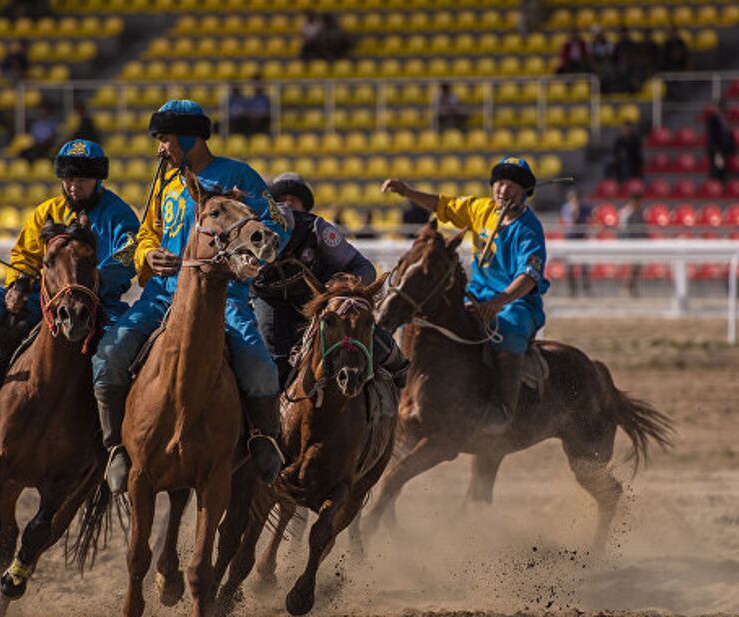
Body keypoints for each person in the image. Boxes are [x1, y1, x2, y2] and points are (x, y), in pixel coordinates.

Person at [92, 99, 292, 493]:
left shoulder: (240, 176)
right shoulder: (164, 184)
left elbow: (276, 225)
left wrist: (252, 249)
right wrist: (148, 253)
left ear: (188, 137)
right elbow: (145, 233)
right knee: (108, 356)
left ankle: (265, 440)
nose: (161, 148)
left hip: (225, 297)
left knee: (259, 365)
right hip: (161, 296)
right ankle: (115, 446)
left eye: (165, 140)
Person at [0, 139, 138, 435]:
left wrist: (91, 280)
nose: (74, 187)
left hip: (96, 304)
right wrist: (17, 286)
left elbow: (128, 254)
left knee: (123, 348)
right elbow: (24, 256)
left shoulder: (120, 215)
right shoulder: (46, 211)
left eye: (82, 180)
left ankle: (117, 434)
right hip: (42, 301)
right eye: (68, 179)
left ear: (98, 180)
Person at [381, 157, 549, 433]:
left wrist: (498, 303)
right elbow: (442, 206)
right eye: (499, 183)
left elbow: (529, 276)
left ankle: (503, 408)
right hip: (475, 293)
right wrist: (408, 192)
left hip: (516, 303)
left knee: (507, 331)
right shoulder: (480, 209)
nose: (502, 190)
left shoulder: (529, 229)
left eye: (510, 185)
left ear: (523, 192)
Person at [252, 172, 409, 388]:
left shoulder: (318, 229)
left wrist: (337, 291)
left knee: (362, 331)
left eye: (294, 199)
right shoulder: (254, 230)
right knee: (269, 358)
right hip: (270, 300)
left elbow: (363, 267)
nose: (287, 204)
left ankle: (398, 368)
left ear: (305, 206)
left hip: (319, 298)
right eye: (281, 200)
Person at [558, 188, 591, 296]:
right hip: (570, 239)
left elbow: (586, 222)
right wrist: (574, 213)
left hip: (581, 239)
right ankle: (572, 290)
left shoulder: (585, 208)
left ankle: (586, 289)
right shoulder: (566, 208)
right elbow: (569, 223)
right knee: (570, 266)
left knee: (583, 265)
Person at [617, 193, 648, 297]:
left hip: (639, 245)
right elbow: (623, 230)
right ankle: (627, 289)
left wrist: (645, 238)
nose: (639, 204)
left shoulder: (640, 212)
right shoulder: (626, 213)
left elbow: (643, 227)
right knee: (632, 267)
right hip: (629, 244)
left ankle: (631, 288)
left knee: (636, 267)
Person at [705, 99, 736, 182]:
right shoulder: (712, 119)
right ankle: (716, 186)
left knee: (723, 168)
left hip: (725, 149)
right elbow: (712, 135)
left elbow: (728, 134)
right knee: (718, 168)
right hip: (717, 150)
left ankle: (721, 185)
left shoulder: (725, 119)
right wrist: (716, 150)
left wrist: (732, 148)